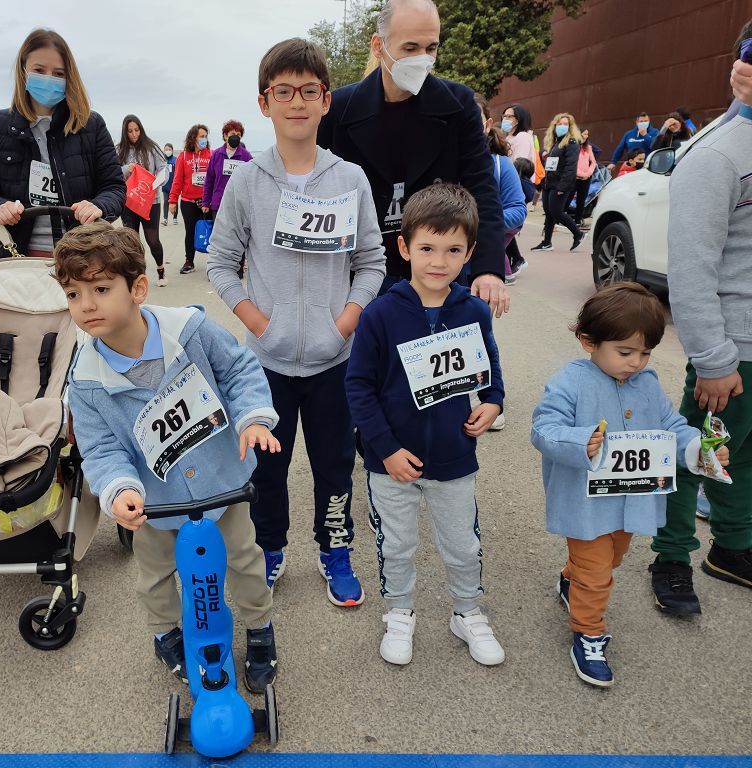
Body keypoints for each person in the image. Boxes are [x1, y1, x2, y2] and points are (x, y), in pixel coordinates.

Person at [62, 221, 281, 693]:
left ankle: (259, 628)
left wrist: (253, 418)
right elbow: (101, 448)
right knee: (156, 576)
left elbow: (240, 369)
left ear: (138, 288)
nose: (87, 305)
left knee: (244, 559)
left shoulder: (192, 330)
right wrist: (119, 490)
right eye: (74, 294)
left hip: (224, 485)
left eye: (100, 288)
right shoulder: (85, 380)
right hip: (156, 504)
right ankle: (166, 634)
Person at [207, 38, 386, 604]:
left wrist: (347, 321)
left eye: (309, 90)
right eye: (283, 91)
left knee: (335, 464)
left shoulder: (350, 179)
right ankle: (270, 548)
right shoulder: (248, 181)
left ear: (326, 100)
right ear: (265, 103)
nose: (297, 101)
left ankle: (335, 551)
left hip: (336, 358)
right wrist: (258, 322)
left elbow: (372, 261)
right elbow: (220, 262)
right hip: (266, 362)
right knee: (267, 467)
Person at [532, 283, 729, 686]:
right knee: (597, 572)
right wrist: (578, 440)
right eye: (625, 352)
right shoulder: (570, 382)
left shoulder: (648, 384)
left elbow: (671, 427)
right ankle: (588, 632)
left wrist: (697, 448)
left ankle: (570, 578)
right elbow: (543, 429)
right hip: (586, 505)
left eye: (645, 353)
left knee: (614, 556)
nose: (636, 362)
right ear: (589, 341)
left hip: (632, 499)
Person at [346, 183, 505, 668]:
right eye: (427, 248)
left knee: (462, 543)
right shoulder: (379, 315)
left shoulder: (474, 312)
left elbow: (491, 372)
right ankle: (399, 611)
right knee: (397, 543)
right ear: (404, 247)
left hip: (455, 458)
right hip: (391, 462)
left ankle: (467, 611)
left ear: (470, 253)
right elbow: (358, 389)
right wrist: (386, 448)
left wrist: (493, 403)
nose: (439, 261)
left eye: (454, 250)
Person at [317, 0, 508, 317]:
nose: (422, 59)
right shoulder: (336, 109)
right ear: (379, 46)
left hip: (437, 271)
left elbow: (483, 190)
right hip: (360, 275)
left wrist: (488, 269)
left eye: (431, 47)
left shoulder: (459, 106)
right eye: (409, 48)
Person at [650, 22, 752, 614]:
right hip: (733, 355)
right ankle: (671, 555)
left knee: (746, 456)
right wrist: (713, 360)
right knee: (696, 455)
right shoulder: (714, 155)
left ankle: (733, 547)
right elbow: (689, 268)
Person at [0, 29, 125, 259]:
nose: (49, 78)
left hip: (84, 257)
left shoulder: (91, 125)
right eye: (39, 70)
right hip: (19, 259)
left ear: (69, 76)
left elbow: (115, 188)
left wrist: (98, 206)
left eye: (58, 73)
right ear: (23, 71)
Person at [475, 95, 525, 287]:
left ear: (487, 124)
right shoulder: (440, 163)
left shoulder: (500, 164)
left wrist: (479, 223)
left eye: (473, 119)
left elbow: (518, 209)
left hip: (481, 264)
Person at [116, 114, 168, 287]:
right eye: (129, 131)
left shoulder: (152, 148)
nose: (133, 134)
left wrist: (157, 181)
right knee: (131, 241)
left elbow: (163, 169)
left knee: (152, 240)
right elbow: (112, 172)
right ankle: (138, 275)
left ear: (141, 129)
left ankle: (160, 269)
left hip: (150, 202)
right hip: (129, 202)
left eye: (136, 130)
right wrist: (125, 169)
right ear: (125, 132)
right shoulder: (119, 150)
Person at [532, 113, 585, 252]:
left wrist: (563, 186)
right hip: (550, 183)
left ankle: (578, 234)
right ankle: (546, 242)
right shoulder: (554, 143)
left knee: (556, 212)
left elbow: (570, 167)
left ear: (570, 127)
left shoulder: (571, 142)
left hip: (560, 184)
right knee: (549, 213)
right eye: (560, 124)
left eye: (566, 124)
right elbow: (551, 165)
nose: (562, 126)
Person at [168, 124, 212, 275]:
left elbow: (214, 179)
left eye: (206, 136)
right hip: (188, 202)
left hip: (207, 202)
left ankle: (213, 263)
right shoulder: (184, 156)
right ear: (193, 138)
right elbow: (177, 180)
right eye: (201, 136)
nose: (204, 139)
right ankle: (189, 261)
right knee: (190, 232)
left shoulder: (211, 155)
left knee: (210, 231)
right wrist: (172, 200)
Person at [202, 120, 253, 221]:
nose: (236, 137)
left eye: (238, 135)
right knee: (218, 235)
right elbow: (209, 180)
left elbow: (251, 181)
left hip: (238, 205)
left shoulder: (246, 156)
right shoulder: (216, 155)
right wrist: (206, 203)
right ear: (225, 136)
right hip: (218, 203)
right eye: (233, 134)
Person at [571, 128, 597, 227]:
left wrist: (588, 174)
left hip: (586, 178)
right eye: (584, 134)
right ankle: (560, 218)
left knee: (581, 201)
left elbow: (593, 162)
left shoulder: (588, 148)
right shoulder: (573, 147)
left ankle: (577, 221)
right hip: (575, 177)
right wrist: (582, 174)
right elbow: (572, 164)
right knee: (568, 198)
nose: (586, 136)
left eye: (587, 134)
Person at [160, 143, 177, 226]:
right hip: (165, 185)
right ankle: (165, 219)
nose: (168, 151)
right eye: (166, 149)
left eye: (169, 149)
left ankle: (175, 218)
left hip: (174, 185)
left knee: (174, 201)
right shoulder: (162, 160)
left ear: (172, 150)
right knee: (166, 201)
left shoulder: (175, 160)